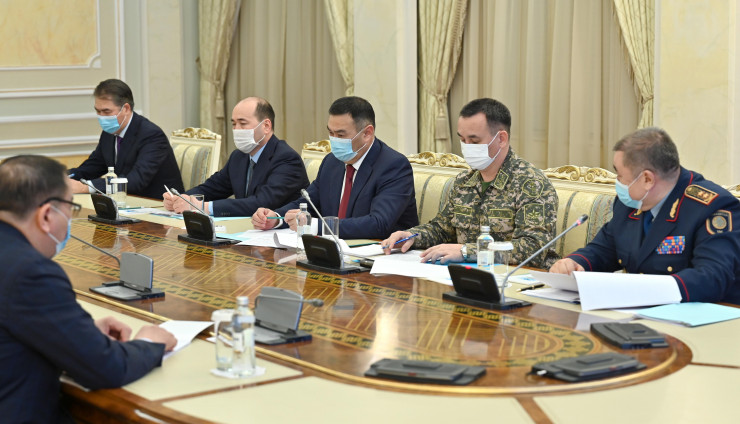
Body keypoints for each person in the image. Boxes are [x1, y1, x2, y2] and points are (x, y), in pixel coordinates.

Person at [0, 155, 176, 422]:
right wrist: (150, 342)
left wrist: (77, 332)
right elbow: (105, 368)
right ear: (46, 215)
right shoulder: (31, 273)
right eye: (70, 210)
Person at [550, 127, 740, 303]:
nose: (617, 183)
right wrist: (575, 263)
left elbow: (711, 277)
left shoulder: (713, 207)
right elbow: (606, 249)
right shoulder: (631, 203)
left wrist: (636, 290)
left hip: (705, 318)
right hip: (641, 313)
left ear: (647, 179)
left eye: (620, 175)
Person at [382, 98, 558, 268]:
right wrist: (411, 236)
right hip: (465, 274)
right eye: (462, 140)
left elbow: (533, 248)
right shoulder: (464, 181)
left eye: (474, 141)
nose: (467, 147)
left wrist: (467, 251)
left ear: (501, 139)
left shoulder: (531, 184)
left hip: (516, 278)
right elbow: (442, 229)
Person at [252, 96, 418, 239]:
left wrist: (315, 226)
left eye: (340, 134)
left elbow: (378, 223)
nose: (334, 140)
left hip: (381, 255)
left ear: (367, 133)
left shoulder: (394, 166)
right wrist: (276, 218)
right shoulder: (332, 162)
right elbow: (308, 202)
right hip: (333, 250)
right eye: (331, 133)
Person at [163, 97, 309, 216]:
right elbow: (213, 187)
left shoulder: (287, 159)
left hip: (281, 234)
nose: (236, 130)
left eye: (242, 123)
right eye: (233, 124)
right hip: (247, 230)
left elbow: (261, 203)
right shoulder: (239, 156)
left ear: (266, 126)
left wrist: (201, 206)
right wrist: (180, 198)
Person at [68, 78, 184, 198]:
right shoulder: (109, 133)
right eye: (98, 111)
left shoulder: (152, 135)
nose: (101, 117)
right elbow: (93, 167)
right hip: (126, 201)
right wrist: (63, 178)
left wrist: (87, 187)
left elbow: (135, 181)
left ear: (126, 109)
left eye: (106, 111)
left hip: (159, 204)